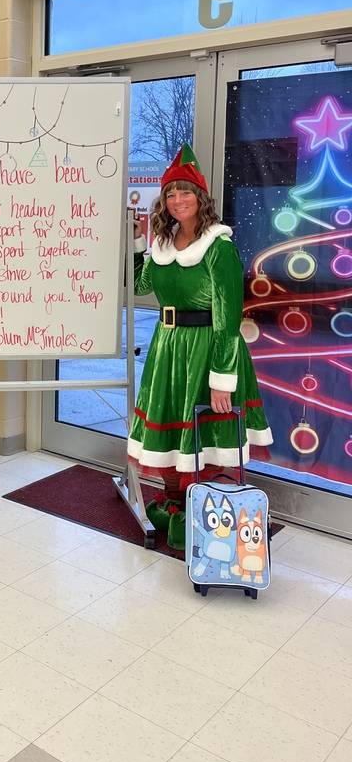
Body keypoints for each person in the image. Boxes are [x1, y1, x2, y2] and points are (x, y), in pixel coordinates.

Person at [128, 144, 272, 548]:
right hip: (168, 347)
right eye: (170, 194)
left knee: (201, 434)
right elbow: (142, 286)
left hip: (209, 348)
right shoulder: (164, 242)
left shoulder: (219, 247)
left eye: (185, 192)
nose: (177, 201)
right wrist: (141, 244)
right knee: (172, 429)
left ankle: (200, 511)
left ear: (201, 197)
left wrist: (222, 380)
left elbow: (229, 319)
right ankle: (175, 503)